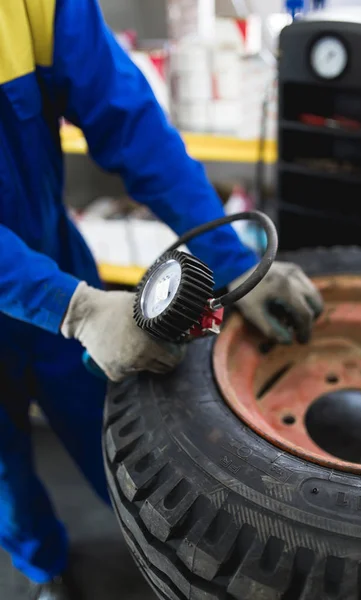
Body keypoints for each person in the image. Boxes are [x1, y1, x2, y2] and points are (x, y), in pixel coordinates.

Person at [0, 1, 323, 598]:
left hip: (63, 269)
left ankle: (150, 547)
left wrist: (231, 261)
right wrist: (71, 307)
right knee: (7, 482)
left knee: (119, 441)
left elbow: (129, 121)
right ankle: (44, 569)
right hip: (56, 295)